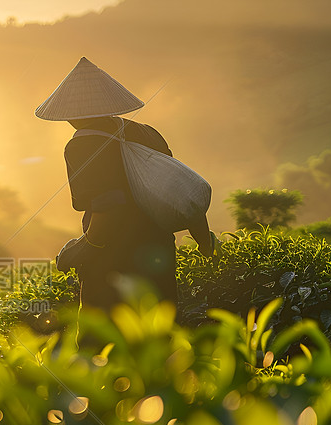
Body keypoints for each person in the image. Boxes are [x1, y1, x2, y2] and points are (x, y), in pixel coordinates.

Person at [35, 57, 214, 325]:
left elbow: (108, 205)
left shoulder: (81, 145)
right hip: (158, 256)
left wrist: (83, 248)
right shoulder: (148, 134)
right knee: (157, 339)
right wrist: (204, 241)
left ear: (70, 112)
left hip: (113, 262)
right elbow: (179, 189)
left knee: (103, 345)